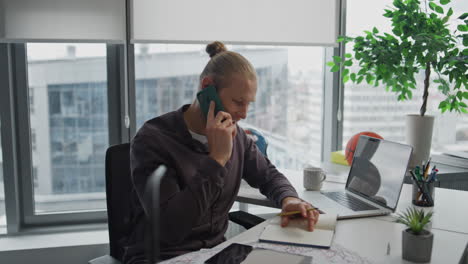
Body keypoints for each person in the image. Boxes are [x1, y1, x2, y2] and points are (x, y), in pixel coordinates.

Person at [122, 41, 319, 263]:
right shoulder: (153, 140)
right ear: (207, 87)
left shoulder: (238, 136)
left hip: (216, 254)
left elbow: (268, 175)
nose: (244, 114)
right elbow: (171, 230)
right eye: (238, 102)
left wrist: (288, 198)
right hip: (163, 256)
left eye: (248, 104)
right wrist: (216, 160)